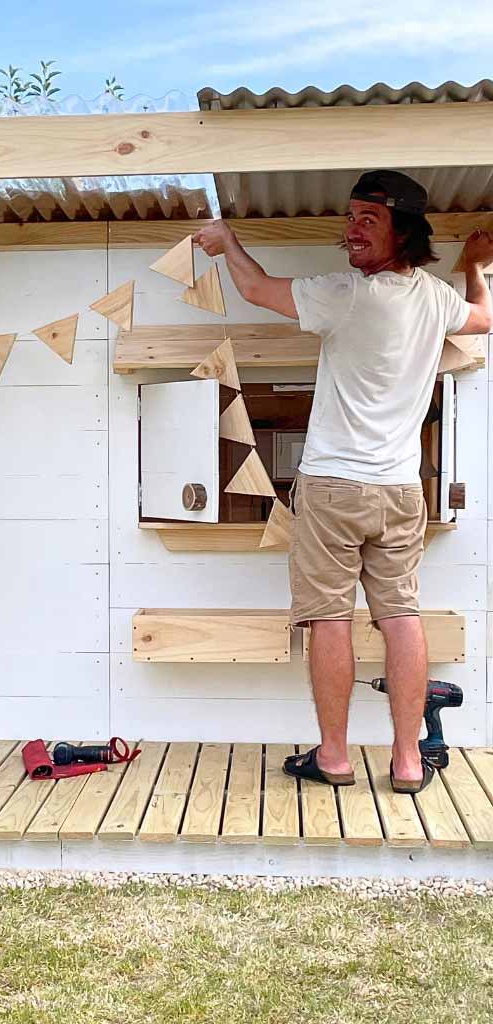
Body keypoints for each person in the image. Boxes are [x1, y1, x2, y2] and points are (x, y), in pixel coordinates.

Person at [194, 170, 493, 794]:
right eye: (350, 216)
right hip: (400, 490)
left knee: (331, 619)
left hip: (333, 486)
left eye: (368, 219)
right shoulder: (435, 299)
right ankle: (409, 761)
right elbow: (484, 319)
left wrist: (226, 243)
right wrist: (475, 267)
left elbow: (254, 289)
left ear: (402, 231)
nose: (350, 230)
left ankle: (334, 757)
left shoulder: (346, 293)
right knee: (400, 616)